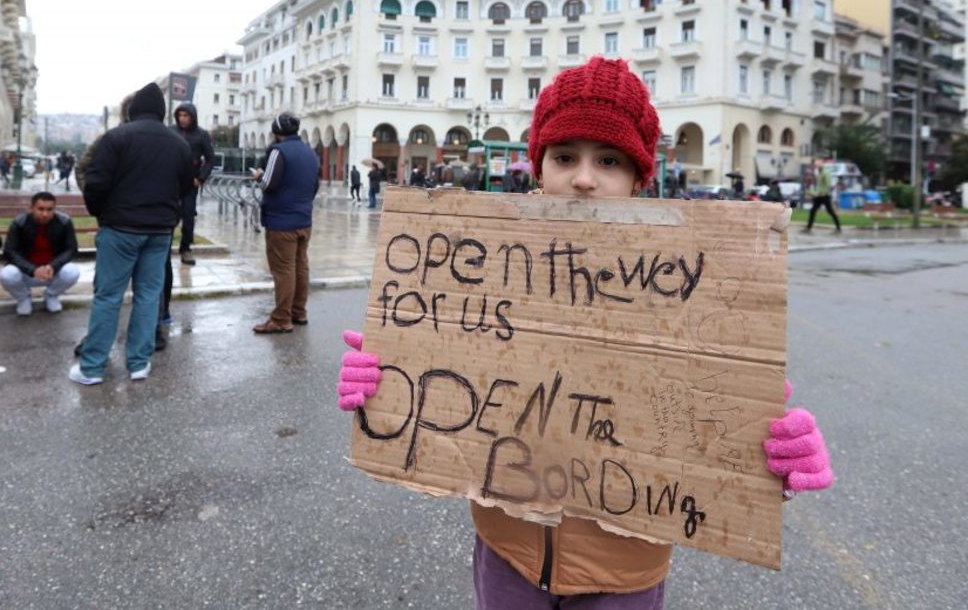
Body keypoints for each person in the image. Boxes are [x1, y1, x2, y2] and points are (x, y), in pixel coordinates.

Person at [336, 57, 834, 608]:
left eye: (609, 159)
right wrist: (383, 377)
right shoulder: (484, 261)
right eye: (565, 156)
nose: (583, 178)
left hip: (624, 575)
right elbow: (435, 376)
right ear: (538, 166)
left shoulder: (687, 282)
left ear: (641, 177)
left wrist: (781, 458)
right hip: (507, 555)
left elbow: (722, 421)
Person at [73, 83, 192, 385]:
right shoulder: (178, 144)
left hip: (121, 228)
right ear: (162, 112)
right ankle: (139, 363)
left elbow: (96, 182)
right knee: (149, 297)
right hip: (159, 231)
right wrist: (168, 215)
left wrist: (103, 214)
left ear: (133, 110)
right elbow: (185, 186)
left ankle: (92, 368)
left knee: (108, 296)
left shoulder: (116, 137)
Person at [249, 112, 319, 334]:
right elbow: (315, 186)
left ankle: (281, 318)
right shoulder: (310, 152)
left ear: (276, 132)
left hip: (282, 222)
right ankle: (299, 312)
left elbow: (268, 183)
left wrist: (259, 176)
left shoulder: (278, 152)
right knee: (301, 266)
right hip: (304, 220)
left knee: (284, 270)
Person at [0, 191, 81, 315]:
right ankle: (23, 298)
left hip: (52, 271)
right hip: (27, 272)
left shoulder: (64, 222)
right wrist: (32, 269)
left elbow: (71, 249)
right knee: (7, 274)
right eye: (40, 209)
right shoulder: (19, 223)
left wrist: (53, 266)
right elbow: (10, 251)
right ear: (31, 208)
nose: (45, 214)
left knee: (72, 271)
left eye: (49, 209)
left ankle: (51, 295)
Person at [171, 102, 215, 266]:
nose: (183, 119)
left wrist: (200, 178)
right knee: (169, 215)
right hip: (171, 182)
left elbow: (210, 159)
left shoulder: (201, 134)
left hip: (190, 183)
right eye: (180, 115)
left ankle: (186, 248)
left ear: (192, 117)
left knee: (188, 217)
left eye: (186, 116)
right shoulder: (170, 131)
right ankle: (164, 247)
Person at [804, 158, 842, 234]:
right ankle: (808, 227)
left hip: (824, 196)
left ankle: (838, 227)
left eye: (817, 164)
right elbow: (820, 186)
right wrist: (813, 192)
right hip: (819, 195)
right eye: (815, 164)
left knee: (830, 211)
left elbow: (828, 185)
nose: (816, 165)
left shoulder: (825, 173)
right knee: (813, 210)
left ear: (822, 164)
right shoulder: (819, 173)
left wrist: (821, 192)